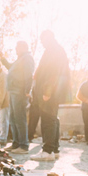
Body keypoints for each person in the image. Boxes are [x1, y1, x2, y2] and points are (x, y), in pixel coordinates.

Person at [30, 30, 69, 161]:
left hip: (50, 91)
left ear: (49, 38)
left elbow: (54, 73)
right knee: (53, 118)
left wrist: (47, 91)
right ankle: (54, 149)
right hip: (53, 90)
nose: (42, 43)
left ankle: (47, 151)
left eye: (43, 40)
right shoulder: (56, 49)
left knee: (48, 120)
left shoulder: (54, 50)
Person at [7, 40, 35, 153]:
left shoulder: (27, 58)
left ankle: (23, 145)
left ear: (23, 47)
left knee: (20, 118)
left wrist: (27, 91)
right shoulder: (20, 59)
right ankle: (16, 143)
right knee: (13, 118)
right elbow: (11, 68)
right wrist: (3, 59)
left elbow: (28, 75)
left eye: (17, 47)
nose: (15, 49)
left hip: (19, 92)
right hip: (14, 91)